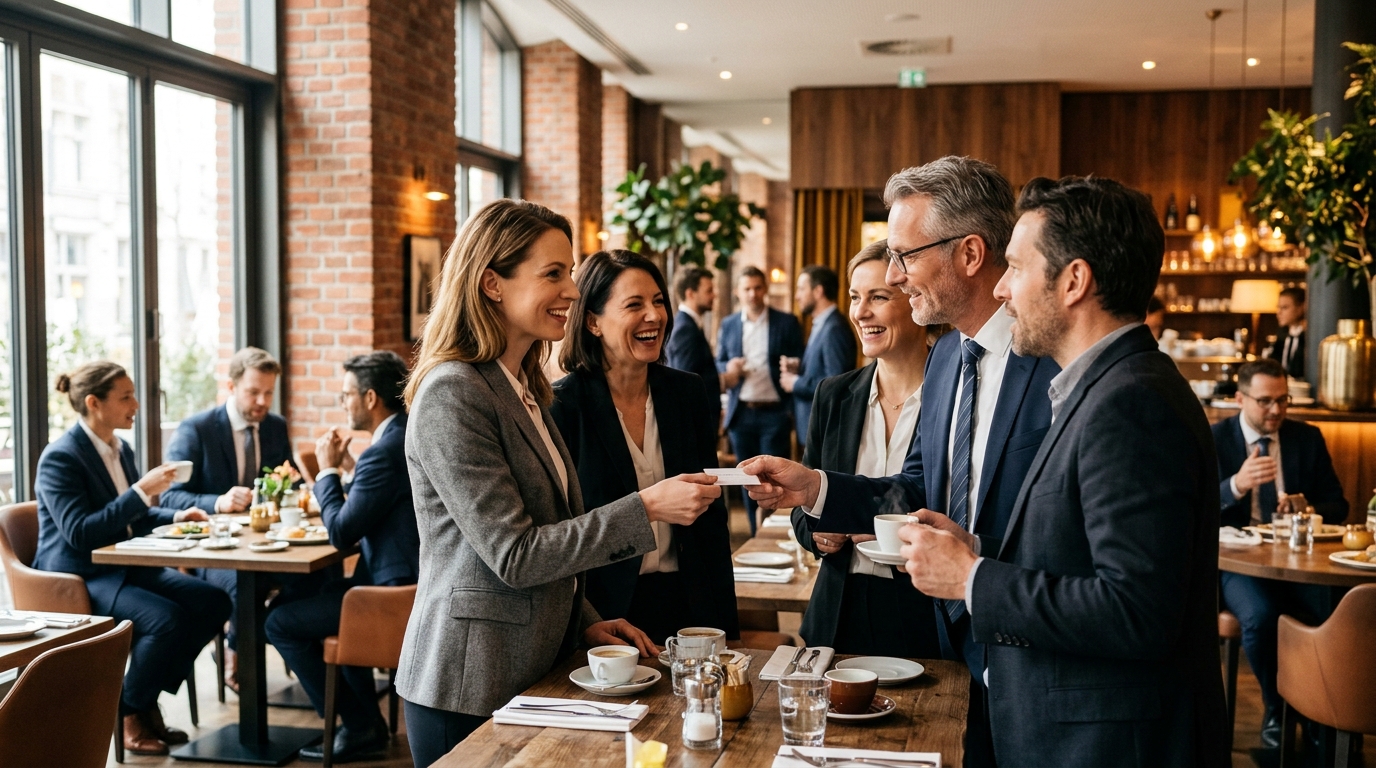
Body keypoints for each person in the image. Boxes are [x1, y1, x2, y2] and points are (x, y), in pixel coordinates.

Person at [895, 176, 1228, 767]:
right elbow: (1082, 558)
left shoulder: (1131, 401)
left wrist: (972, 577)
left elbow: (1136, 612)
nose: (1001, 288)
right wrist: (981, 548)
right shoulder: (1101, 388)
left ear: (1074, 281)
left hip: (1108, 745)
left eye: (1017, 268)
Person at [742, 156, 1059, 768]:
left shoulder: (1047, 359)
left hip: (1027, 653)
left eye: (905, 256)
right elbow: (915, 488)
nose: (895, 273)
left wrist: (975, 565)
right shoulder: (950, 361)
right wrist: (815, 487)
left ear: (969, 254)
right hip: (949, 642)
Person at [398, 199, 722, 767]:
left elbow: (549, 536)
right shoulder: (455, 392)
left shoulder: (525, 386)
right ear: (492, 283)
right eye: (553, 273)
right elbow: (515, 555)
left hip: (534, 665)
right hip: (468, 679)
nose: (572, 290)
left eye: (569, 272)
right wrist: (644, 506)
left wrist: (589, 618)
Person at [33, 362, 232, 756]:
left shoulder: (119, 449)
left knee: (214, 601)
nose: (136, 404)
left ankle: (139, 698)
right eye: (125, 396)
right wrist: (141, 491)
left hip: (124, 566)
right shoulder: (60, 458)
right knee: (166, 620)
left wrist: (176, 515)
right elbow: (80, 532)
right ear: (94, 403)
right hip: (78, 575)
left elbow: (131, 516)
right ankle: (129, 711)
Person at [551, 250, 737, 644]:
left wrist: (726, 626)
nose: (654, 315)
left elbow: (712, 519)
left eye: (658, 301)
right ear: (592, 322)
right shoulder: (562, 406)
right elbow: (561, 530)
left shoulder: (687, 392)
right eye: (634, 305)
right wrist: (582, 622)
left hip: (689, 601)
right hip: (604, 613)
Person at [265, 351, 420, 763]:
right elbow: (377, 503)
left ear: (370, 398)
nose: (343, 403)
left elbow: (341, 531)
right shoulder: (400, 435)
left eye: (345, 394)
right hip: (398, 580)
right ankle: (364, 724)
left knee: (277, 622)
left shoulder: (384, 451)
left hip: (394, 593)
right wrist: (350, 471)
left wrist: (327, 472)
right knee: (298, 600)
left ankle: (356, 724)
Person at [789, 241, 940, 658]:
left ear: (915, 301)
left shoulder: (955, 394)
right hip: (837, 613)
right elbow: (803, 508)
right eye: (855, 298)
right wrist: (817, 534)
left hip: (924, 613)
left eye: (878, 297)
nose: (860, 312)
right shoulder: (833, 395)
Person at [163, 346, 321, 690]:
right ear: (232, 387)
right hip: (215, 551)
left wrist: (289, 486)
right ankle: (239, 653)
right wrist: (218, 501)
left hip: (266, 543)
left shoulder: (274, 427)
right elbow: (169, 496)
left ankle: (251, 640)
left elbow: (286, 482)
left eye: (268, 393)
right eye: (253, 392)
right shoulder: (197, 429)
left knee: (315, 577)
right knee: (240, 584)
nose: (262, 401)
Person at [1215, 357, 1345, 747]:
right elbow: (1192, 507)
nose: (1276, 410)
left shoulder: (1307, 437)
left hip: (1297, 559)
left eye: (1284, 400)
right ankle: (1277, 709)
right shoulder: (1214, 438)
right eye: (1265, 401)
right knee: (1260, 616)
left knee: (1336, 610)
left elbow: (1338, 506)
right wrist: (1235, 485)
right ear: (1240, 398)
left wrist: (1306, 507)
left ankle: (1327, 715)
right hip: (1237, 564)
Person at [717, 266, 803, 534]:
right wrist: (729, 366)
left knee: (775, 479)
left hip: (774, 413)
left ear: (765, 290)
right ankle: (756, 534)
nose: (753, 294)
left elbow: (802, 360)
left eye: (757, 287)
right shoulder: (729, 324)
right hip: (741, 414)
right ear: (737, 293)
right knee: (747, 478)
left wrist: (794, 365)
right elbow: (718, 361)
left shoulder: (786, 322)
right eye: (747, 289)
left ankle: (772, 535)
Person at [782, 265, 858, 449]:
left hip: (825, 429)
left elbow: (836, 383)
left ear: (818, 291)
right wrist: (800, 368)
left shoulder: (834, 328)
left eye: (801, 289)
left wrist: (796, 383)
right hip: (815, 427)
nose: (797, 296)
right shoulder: (823, 324)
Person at [665, 265, 722, 428]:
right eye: (708, 290)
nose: (714, 295)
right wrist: (724, 379)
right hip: (695, 422)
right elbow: (685, 381)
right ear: (690, 294)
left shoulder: (690, 325)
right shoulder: (685, 329)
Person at [1261, 286, 1306, 379]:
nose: (1278, 312)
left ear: (1300, 309)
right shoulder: (1282, 334)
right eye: (1278, 307)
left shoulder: (1306, 336)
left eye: (1284, 308)